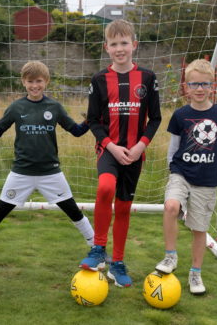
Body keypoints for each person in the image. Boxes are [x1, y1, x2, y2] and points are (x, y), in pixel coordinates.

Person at [0, 60, 94, 266]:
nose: (35, 85)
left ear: (46, 81)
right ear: (24, 82)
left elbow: (76, 131)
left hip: (51, 173)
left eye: (39, 81)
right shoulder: (16, 107)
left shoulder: (54, 107)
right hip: (21, 172)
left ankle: (97, 247)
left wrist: (88, 121)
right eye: (30, 81)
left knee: (73, 211)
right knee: (0, 211)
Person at [79, 19, 162, 288]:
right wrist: (111, 146)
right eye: (114, 44)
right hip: (109, 149)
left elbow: (156, 119)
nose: (119, 48)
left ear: (134, 45)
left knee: (124, 207)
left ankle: (117, 263)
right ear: (107, 48)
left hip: (135, 154)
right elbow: (92, 120)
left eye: (124, 42)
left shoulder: (147, 78)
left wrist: (140, 146)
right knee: (105, 188)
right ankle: (98, 248)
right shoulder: (99, 79)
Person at [154, 59, 217, 295]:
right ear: (186, 87)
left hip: (206, 181)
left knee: (199, 229)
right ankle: (170, 257)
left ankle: (195, 274)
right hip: (181, 173)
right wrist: (173, 170)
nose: (199, 89)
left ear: (212, 85)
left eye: (204, 84)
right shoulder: (181, 115)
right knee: (171, 206)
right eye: (194, 84)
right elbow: (173, 149)